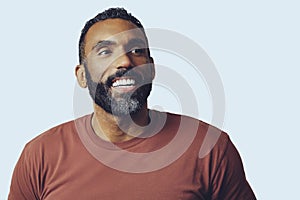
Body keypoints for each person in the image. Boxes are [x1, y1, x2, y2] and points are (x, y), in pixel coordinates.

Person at [8, 7, 256, 200]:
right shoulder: (40, 156)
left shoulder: (209, 147)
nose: (125, 62)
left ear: (151, 68)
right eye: (105, 51)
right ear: (82, 76)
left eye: (137, 50)